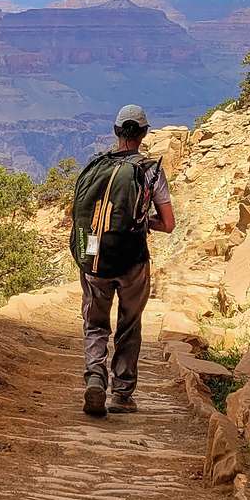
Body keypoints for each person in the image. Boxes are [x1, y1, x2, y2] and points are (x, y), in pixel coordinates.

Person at [77, 104, 175, 416]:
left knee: (95, 322)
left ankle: (94, 376)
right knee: (129, 325)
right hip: (133, 260)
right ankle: (121, 393)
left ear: (117, 132)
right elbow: (169, 224)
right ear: (144, 134)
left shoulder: (95, 166)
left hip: (94, 257)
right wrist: (145, 223)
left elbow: (80, 214)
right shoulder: (151, 171)